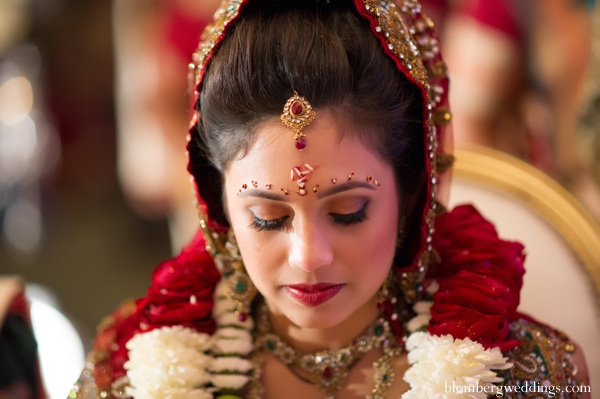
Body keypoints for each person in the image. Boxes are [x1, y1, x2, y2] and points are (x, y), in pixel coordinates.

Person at [69, 0, 589, 398]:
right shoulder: (133, 371)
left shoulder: (519, 373)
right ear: (218, 206)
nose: (308, 255)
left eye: (348, 212)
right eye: (268, 217)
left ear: (412, 194)